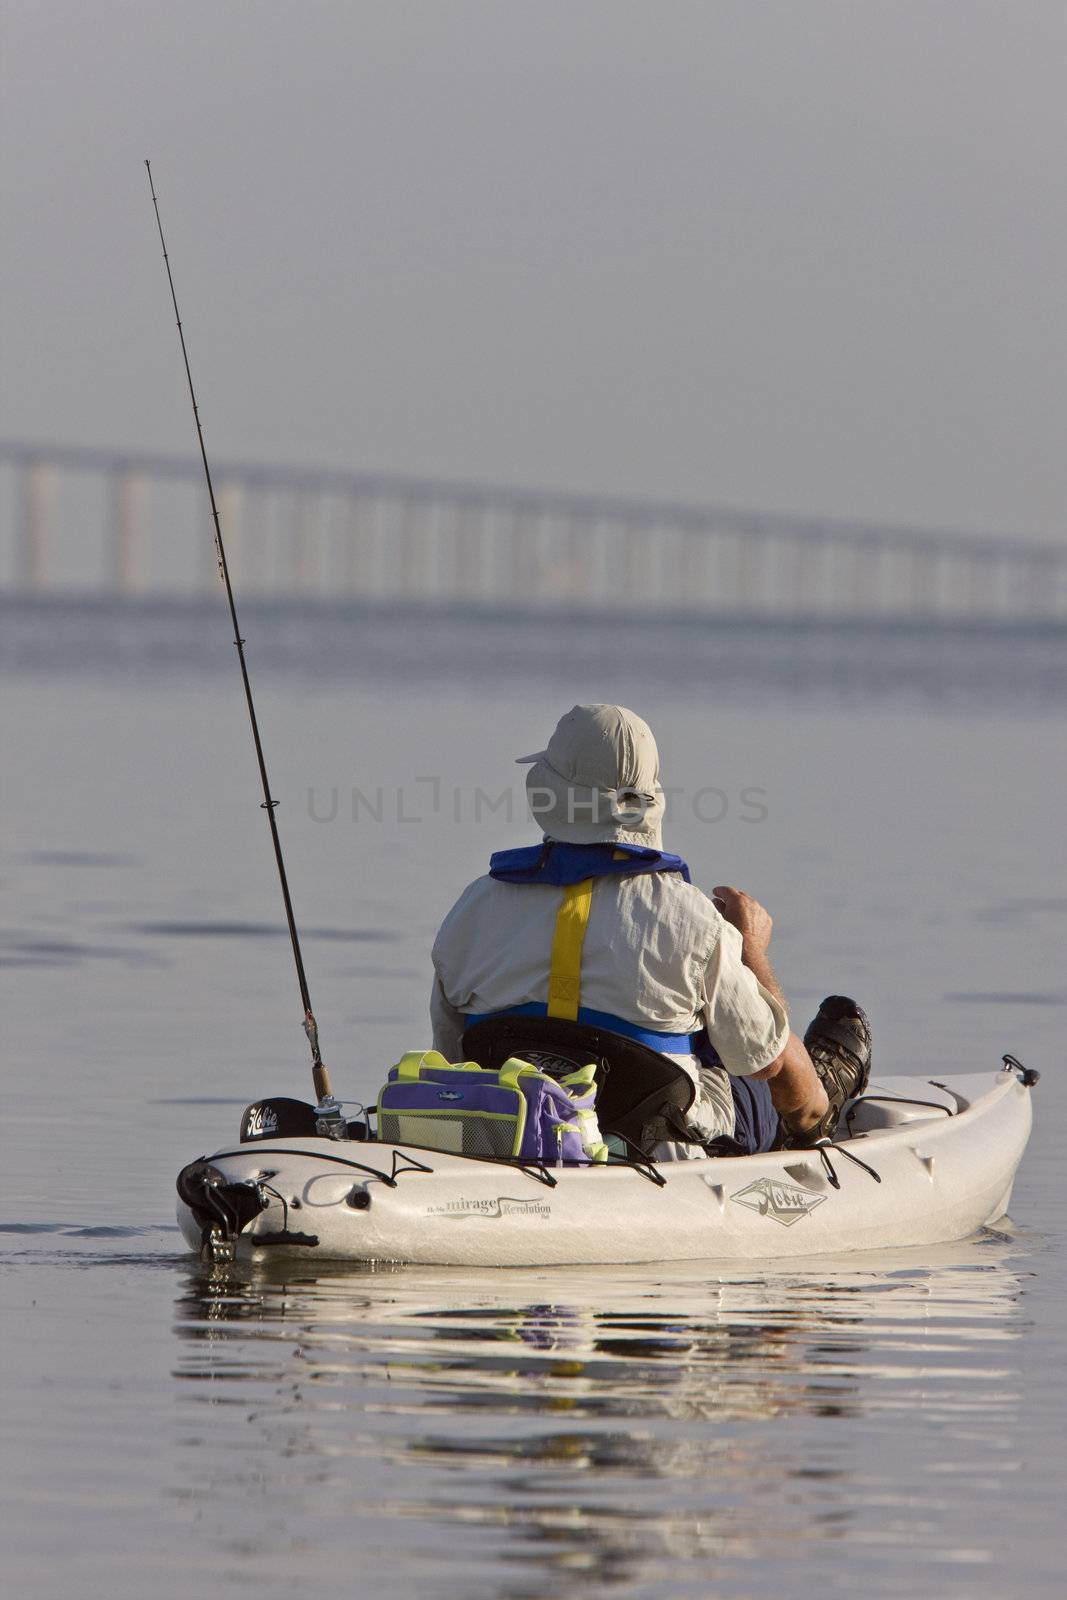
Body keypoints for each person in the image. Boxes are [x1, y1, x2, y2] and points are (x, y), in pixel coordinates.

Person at [430, 704, 870, 1154]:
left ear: (548, 792)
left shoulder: (474, 906)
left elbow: (450, 1056)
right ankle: (820, 1108)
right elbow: (765, 1058)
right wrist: (751, 951)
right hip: (658, 1146)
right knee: (750, 1068)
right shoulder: (695, 918)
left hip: (512, 1135)